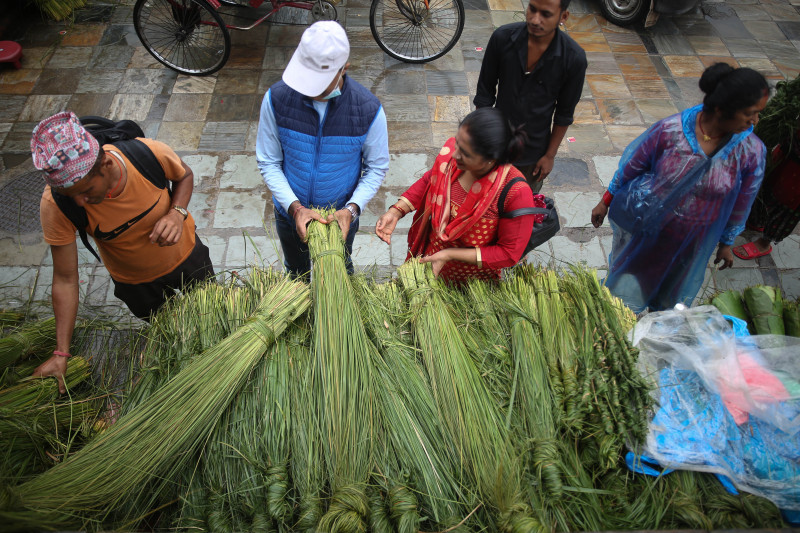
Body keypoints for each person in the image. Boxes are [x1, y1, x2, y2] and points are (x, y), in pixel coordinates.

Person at [32, 111, 214, 392]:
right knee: (166, 326)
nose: (80, 202)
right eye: (72, 196)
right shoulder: (57, 204)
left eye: (87, 190)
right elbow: (66, 280)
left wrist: (177, 213)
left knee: (211, 311)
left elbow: (184, 175)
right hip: (135, 283)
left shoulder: (147, 154)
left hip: (188, 257)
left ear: (104, 163)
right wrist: (61, 352)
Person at [590, 64, 769, 314]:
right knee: (626, 285)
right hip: (648, 228)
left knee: (669, 298)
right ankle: (617, 320)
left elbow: (742, 202)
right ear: (721, 108)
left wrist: (727, 242)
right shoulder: (671, 131)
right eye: (749, 113)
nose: (755, 121)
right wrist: (606, 200)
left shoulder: (751, 152)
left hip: (692, 241)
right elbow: (632, 166)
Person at [256, 21, 389, 278]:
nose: (310, 88)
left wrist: (351, 209)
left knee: (340, 271)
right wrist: (294, 208)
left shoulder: (368, 110)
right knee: (297, 273)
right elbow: (269, 161)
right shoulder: (277, 99)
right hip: (290, 213)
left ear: (344, 69)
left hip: (340, 217)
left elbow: (376, 167)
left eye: (321, 82)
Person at [375, 108, 537, 282]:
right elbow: (431, 180)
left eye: (465, 154)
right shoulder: (453, 160)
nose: (454, 154)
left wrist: (449, 255)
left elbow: (509, 253)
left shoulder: (514, 192)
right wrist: (397, 211)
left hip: (472, 279)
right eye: (458, 143)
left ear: (491, 159)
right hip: (430, 260)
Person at [474, 0, 586, 193]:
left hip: (533, 155)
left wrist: (549, 156)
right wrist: (483, 140)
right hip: (495, 146)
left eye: (546, 14)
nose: (535, 20)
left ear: (563, 17)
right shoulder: (502, 38)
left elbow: (564, 113)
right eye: (532, 9)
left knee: (520, 212)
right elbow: (485, 94)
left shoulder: (573, 59)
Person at [733, 116, 800, 261]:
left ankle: (765, 242)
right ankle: (758, 221)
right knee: (768, 182)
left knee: (786, 203)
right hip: (789, 149)